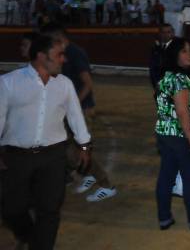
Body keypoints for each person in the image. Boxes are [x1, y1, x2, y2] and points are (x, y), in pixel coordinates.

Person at [0, 34, 92, 249]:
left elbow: (75, 117)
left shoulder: (65, 84)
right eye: (59, 55)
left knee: (49, 210)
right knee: (12, 209)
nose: (64, 60)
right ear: (41, 56)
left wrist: (85, 146)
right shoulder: (8, 83)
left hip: (53, 156)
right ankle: (30, 237)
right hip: (16, 156)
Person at [40, 24, 117, 202]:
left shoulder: (74, 53)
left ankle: (106, 185)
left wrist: (72, 106)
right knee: (71, 149)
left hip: (81, 109)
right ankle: (86, 175)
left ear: (59, 38)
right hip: (74, 109)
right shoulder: (69, 53)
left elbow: (87, 84)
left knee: (76, 150)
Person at [154, 37, 190, 230]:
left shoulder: (165, 78)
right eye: (184, 51)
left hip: (165, 134)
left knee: (166, 175)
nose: (189, 54)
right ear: (174, 55)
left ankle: (164, 218)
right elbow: (183, 112)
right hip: (182, 136)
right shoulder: (180, 80)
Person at [150, 23, 175, 95]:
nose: (166, 35)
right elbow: (153, 68)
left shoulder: (178, 47)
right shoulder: (156, 48)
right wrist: (156, 83)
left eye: (168, 32)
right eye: (163, 32)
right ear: (160, 34)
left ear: (173, 33)